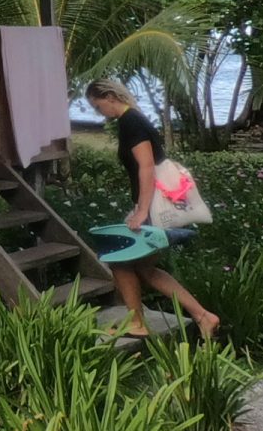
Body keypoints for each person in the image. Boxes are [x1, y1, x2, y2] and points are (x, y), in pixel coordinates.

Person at [83, 78, 220, 341]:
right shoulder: (132, 120)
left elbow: (146, 167)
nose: (100, 113)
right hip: (149, 205)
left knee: (118, 259)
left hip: (152, 207)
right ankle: (203, 316)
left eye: (98, 106)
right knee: (145, 269)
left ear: (110, 97)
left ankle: (138, 322)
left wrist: (141, 210)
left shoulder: (131, 122)